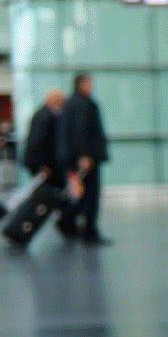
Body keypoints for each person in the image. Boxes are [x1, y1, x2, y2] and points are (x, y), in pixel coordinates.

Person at [59, 72, 110, 244]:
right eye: (90, 83)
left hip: (76, 157)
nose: (92, 86)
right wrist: (84, 155)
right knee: (89, 195)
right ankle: (87, 230)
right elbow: (81, 131)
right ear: (81, 84)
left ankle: (70, 222)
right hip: (85, 158)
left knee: (80, 193)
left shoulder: (71, 103)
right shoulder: (83, 104)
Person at [22, 89, 67, 190]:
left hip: (47, 164)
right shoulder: (44, 117)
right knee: (47, 192)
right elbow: (37, 141)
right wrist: (42, 165)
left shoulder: (47, 115)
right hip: (44, 165)